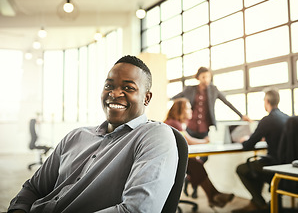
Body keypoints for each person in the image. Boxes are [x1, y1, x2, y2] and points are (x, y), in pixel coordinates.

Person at [8, 55, 179, 213]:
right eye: (108, 86)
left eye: (128, 87)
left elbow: (136, 210)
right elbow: (33, 189)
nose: (114, 93)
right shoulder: (75, 136)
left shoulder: (154, 135)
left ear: (146, 98)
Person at [171, 66, 251, 197]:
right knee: (190, 157)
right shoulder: (190, 89)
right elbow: (176, 98)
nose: (206, 79)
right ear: (198, 77)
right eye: (203, 77)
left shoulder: (213, 90)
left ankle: (192, 179)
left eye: (208, 76)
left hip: (204, 130)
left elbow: (227, 103)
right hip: (190, 129)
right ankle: (195, 184)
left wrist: (242, 116)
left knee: (204, 157)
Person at [164, 98, 234, 208]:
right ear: (180, 110)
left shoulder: (177, 123)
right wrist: (205, 141)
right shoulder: (174, 123)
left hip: (173, 160)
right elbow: (188, 141)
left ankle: (214, 196)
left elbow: (187, 140)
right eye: (188, 108)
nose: (191, 111)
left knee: (196, 164)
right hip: (168, 163)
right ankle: (214, 196)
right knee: (196, 165)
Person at [232, 87, 289, 213]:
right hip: (287, 164)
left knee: (242, 169)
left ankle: (259, 203)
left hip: (273, 164)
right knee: (255, 167)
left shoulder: (267, 120)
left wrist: (243, 140)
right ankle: (257, 203)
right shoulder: (287, 118)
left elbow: (248, 145)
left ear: (267, 101)